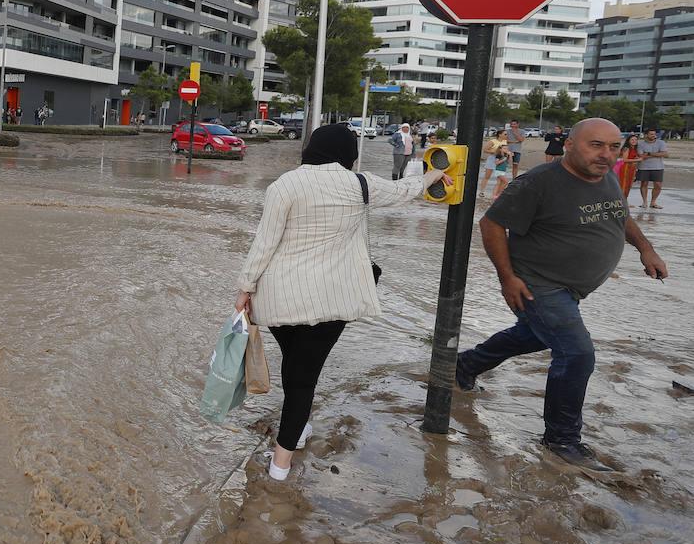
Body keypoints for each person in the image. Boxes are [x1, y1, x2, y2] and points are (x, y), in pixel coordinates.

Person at [234, 124, 453, 481]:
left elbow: (264, 244)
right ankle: (280, 468)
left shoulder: (284, 185)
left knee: (294, 366)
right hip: (330, 301)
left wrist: (244, 287)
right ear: (347, 153)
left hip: (280, 299)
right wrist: (434, 174)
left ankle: (296, 430)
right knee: (304, 379)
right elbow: (403, 191)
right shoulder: (360, 184)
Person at [456, 118, 668, 471]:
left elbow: (620, 215)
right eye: (596, 145)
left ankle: (466, 365)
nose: (606, 154)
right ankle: (561, 440)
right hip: (540, 283)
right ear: (569, 145)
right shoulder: (538, 183)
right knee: (577, 353)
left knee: (535, 335)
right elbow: (491, 224)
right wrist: (507, 277)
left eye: (613, 147)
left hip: (571, 289)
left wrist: (645, 248)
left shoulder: (607, 175)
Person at [636, 128, 668, 209]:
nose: (654, 136)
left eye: (654, 134)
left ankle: (653, 202)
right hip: (643, 167)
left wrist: (649, 153)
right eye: (651, 134)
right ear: (646, 135)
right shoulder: (640, 144)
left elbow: (664, 154)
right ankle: (644, 202)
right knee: (644, 184)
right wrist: (657, 154)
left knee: (658, 185)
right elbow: (641, 156)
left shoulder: (661, 142)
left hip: (658, 167)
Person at [484, 129, 511, 201]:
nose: (506, 136)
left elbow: (508, 161)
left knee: (499, 182)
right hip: (496, 163)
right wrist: (495, 152)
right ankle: (494, 193)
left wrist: (509, 155)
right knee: (488, 176)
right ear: (500, 134)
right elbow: (485, 150)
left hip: (502, 168)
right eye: (505, 134)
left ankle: (495, 195)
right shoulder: (493, 142)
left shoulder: (505, 142)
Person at [614, 135, 642, 202]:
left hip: (631, 169)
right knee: (623, 184)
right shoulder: (627, 148)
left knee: (628, 185)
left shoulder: (634, 148)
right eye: (632, 140)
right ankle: (621, 201)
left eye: (635, 140)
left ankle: (624, 200)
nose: (634, 141)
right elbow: (625, 160)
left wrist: (636, 158)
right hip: (626, 168)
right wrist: (637, 160)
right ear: (628, 141)